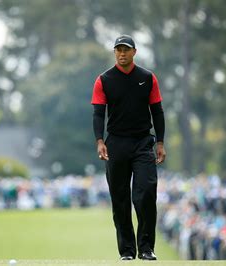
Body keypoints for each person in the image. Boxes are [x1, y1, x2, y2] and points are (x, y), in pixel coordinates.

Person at [91, 35, 166, 260]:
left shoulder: (147, 78)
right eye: (118, 50)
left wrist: (160, 141)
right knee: (120, 199)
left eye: (126, 50)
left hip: (143, 142)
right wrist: (99, 141)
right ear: (114, 52)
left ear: (134, 52)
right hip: (116, 144)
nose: (122, 53)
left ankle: (146, 248)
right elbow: (98, 113)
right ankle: (127, 251)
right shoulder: (103, 80)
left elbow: (157, 111)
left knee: (145, 194)